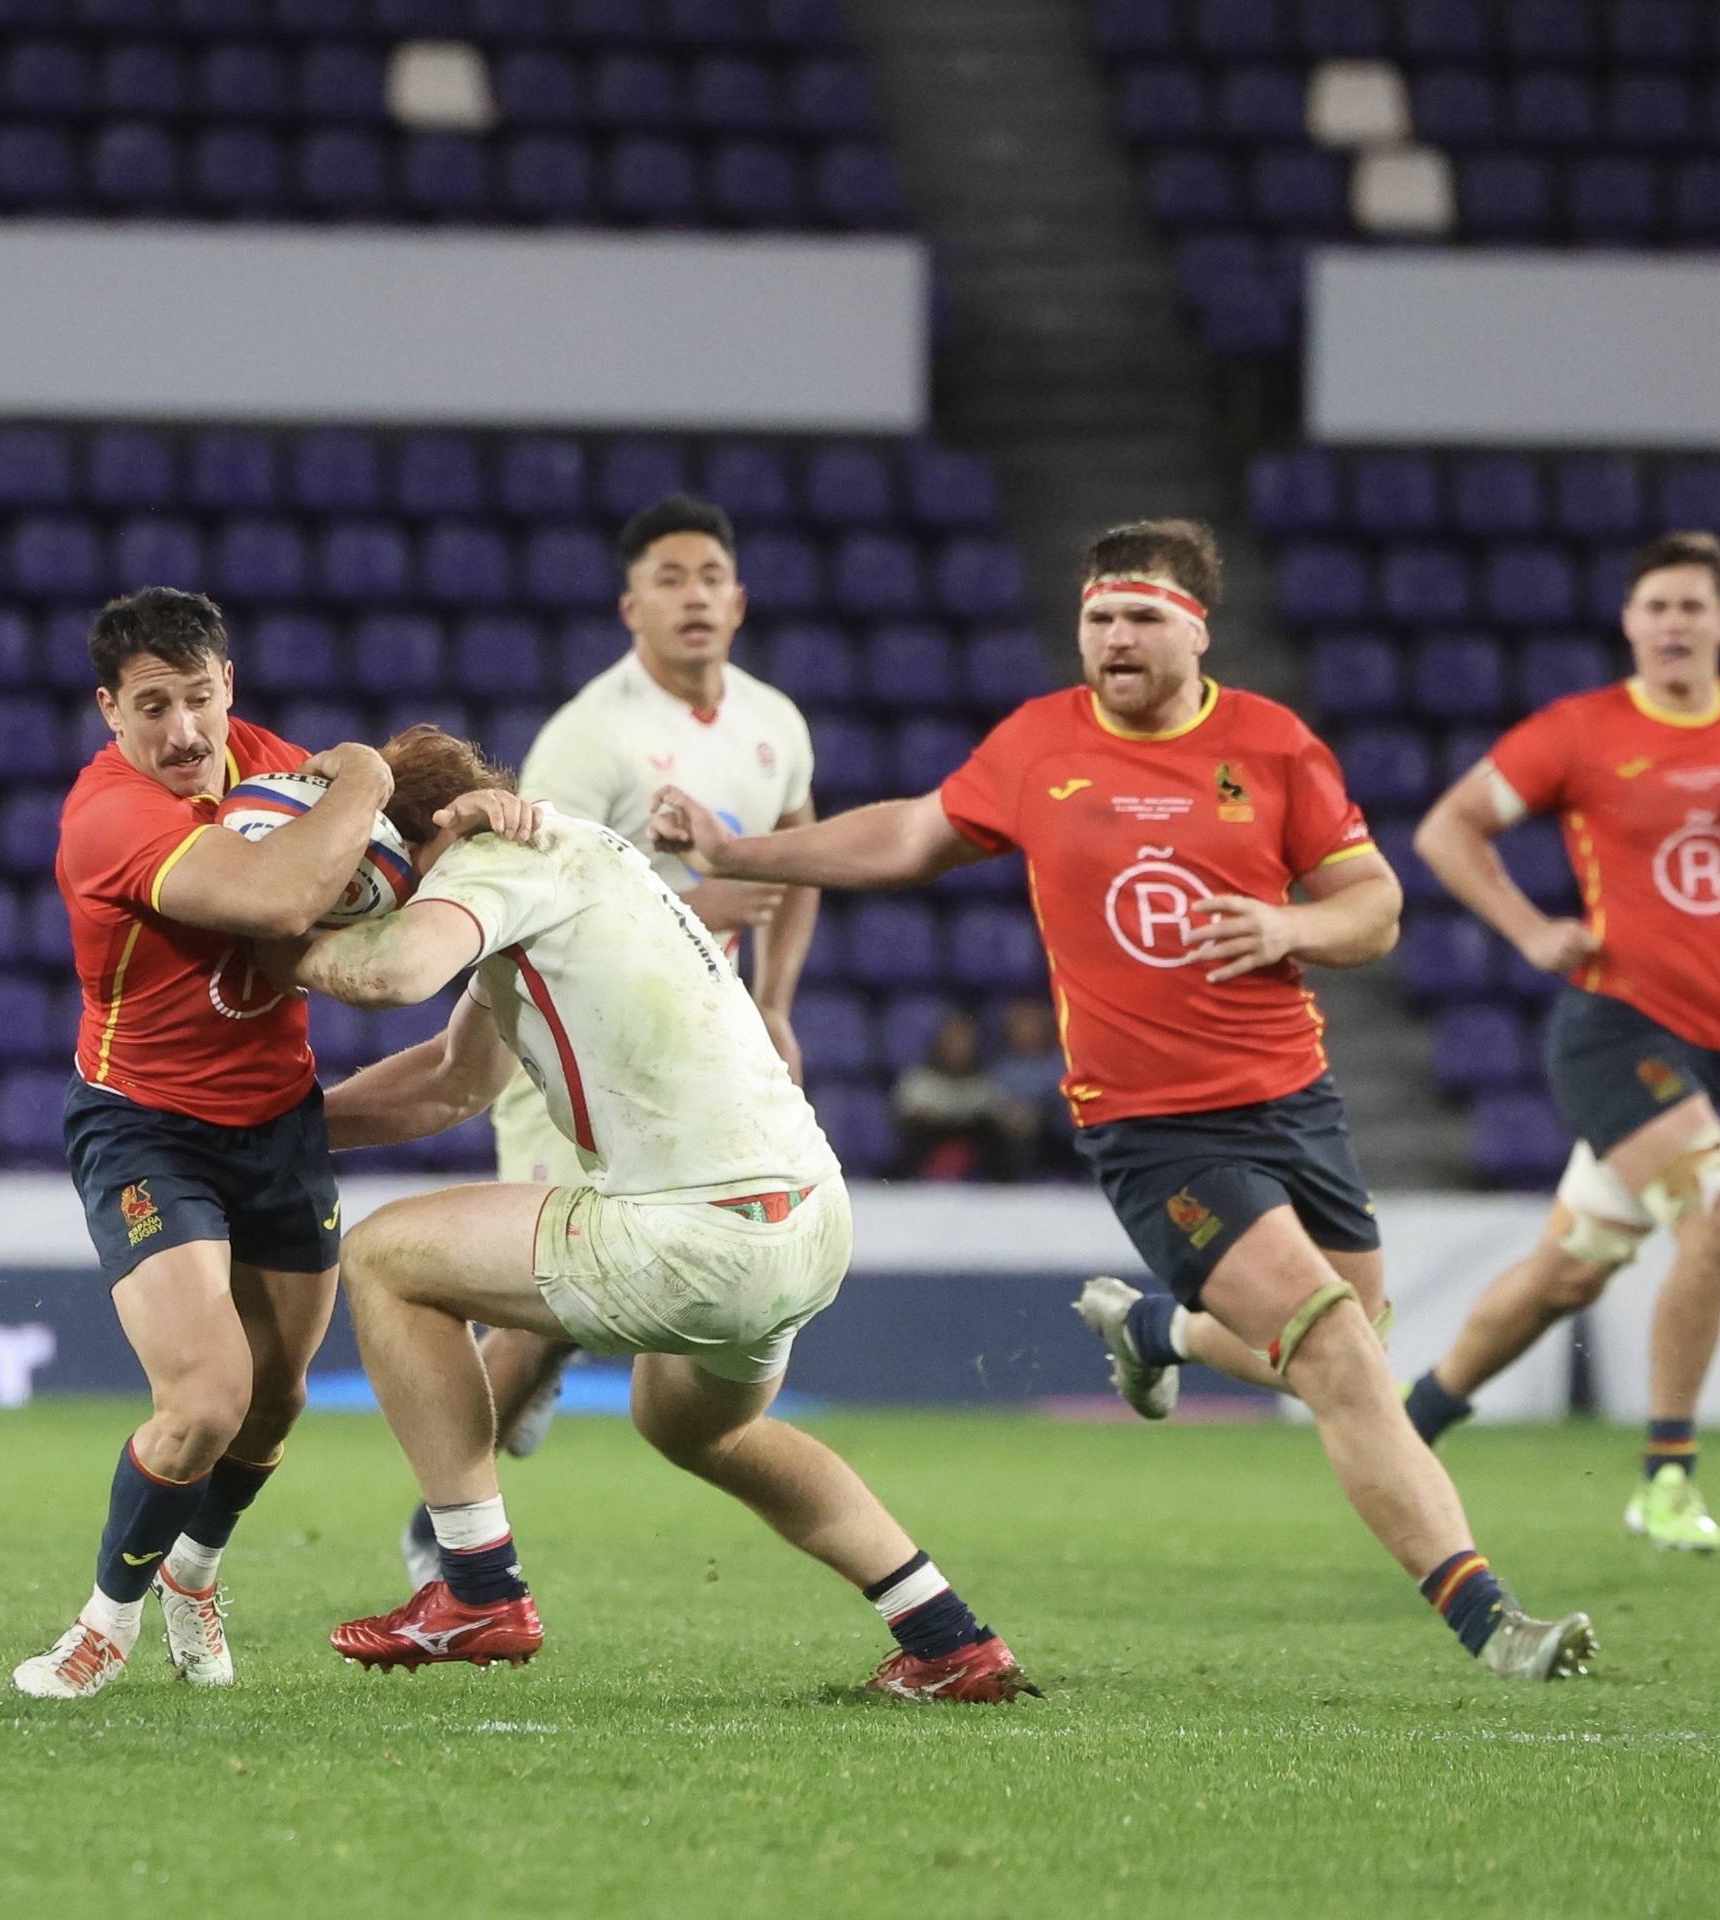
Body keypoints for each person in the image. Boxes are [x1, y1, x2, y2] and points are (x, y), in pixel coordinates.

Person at [654, 519, 1596, 1680]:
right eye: (1098, 616)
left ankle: (1154, 1327)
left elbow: (1375, 907)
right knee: (1340, 1357)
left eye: (1141, 616)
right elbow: (908, 834)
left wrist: (1288, 924)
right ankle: (1490, 1620)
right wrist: (732, 854)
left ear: (1197, 631)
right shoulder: (1039, 743)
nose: (1113, 636)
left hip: (1294, 1100)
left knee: (1345, 1339)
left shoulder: (1274, 747)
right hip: (1153, 1127)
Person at [271, 727, 1034, 1702]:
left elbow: (392, 974)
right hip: (805, 1217)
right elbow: (450, 1083)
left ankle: (474, 1587)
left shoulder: (490, 860)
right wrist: (286, 1125)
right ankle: (945, 1636)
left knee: (383, 1258)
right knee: (691, 1425)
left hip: (696, 1231)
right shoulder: (569, 861)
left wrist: (287, 944)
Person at [10, 587, 531, 1700]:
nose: (184, 732)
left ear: (227, 686)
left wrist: (474, 822)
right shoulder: (109, 818)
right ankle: (105, 1624)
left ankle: (194, 1569)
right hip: (146, 1126)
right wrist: (367, 776)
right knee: (205, 1399)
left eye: (198, 698)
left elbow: (395, 860)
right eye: (152, 707)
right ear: (110, 712)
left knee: (278, 1399)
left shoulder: (266, 763)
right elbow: (284, 896)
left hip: (276, 1119)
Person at [1403, 531, 1720, 1552]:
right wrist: (1530, 930)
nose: (1672, 624)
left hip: (1707, 1046)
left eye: (1691, 607)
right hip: (1613, 1027)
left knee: (1567, 1271)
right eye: (1655, 606)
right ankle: (1665, 1476)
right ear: (1628, 621)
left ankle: (1408, 1427)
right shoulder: (1580, 730)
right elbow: (1447, 828)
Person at [395, 493, 820, 1586]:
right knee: (539, 1298)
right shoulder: (591, 736)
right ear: (631, 605)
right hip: (570, 1049)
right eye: (669, 579)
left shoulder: (776, 723)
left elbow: (798, 853)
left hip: (687, 1060)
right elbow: (531, 887)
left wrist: (775, 1001)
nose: (693, 596)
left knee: (573, 1301)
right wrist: (698, 904)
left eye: (709, 576)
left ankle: (510, 1416)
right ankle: (447, 1532)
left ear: (739, 597)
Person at [890, 1009, 1007, 1179]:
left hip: (975, 1163)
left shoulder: (986, 1086)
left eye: (965, 1041)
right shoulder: (918, 1082)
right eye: (953, 1041)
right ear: (940, 1042)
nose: (960, 1048)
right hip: (926, 1158)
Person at [987, 997, 1074, 1178]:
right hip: (1008, 1136)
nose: (1027, 1029)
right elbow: (991, 1100)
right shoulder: (999, 1068)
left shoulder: (1062, 1064)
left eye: (1032, 1022)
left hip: (1054, 1137)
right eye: (1021, 1023)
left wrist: (1041, 1113)